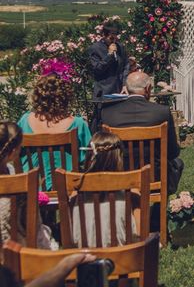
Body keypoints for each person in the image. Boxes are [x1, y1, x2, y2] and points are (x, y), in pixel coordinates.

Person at [101, 71, 183, 194]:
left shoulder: (108, 114)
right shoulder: (162, 112)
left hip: (120, 177)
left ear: (126, 90)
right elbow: (172, 152)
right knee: (178, 163)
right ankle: (157, 211)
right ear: (148, 88)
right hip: (154, 178)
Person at [18, 73, 91, 191]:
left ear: (38, 96)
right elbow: (88, 158)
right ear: (66, 97)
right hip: (67, 188)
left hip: (33, 189)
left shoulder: (24, 121)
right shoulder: (78, 124)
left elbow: (16, 154)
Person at [0, 121, 57, 263]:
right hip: (16, 257)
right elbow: (35, 232)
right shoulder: (19, 187)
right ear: (13, 151)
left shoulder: (14, 176)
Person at [71, 132, 139, 247]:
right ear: (119, 159)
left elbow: (70, 232)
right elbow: (140, 236)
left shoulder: (75, 194)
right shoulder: (132, 193)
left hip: (85, 260)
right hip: (122, 260)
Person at [88, 21, 129, 99]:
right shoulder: (95, 49)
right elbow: (97, 69)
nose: (113, 41)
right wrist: (109, 55)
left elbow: (125, 66)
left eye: (115, 37)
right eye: (111, 38)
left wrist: (124, 84)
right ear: (103, 35)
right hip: (104, 91)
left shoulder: (120, 47)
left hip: (119, 90)